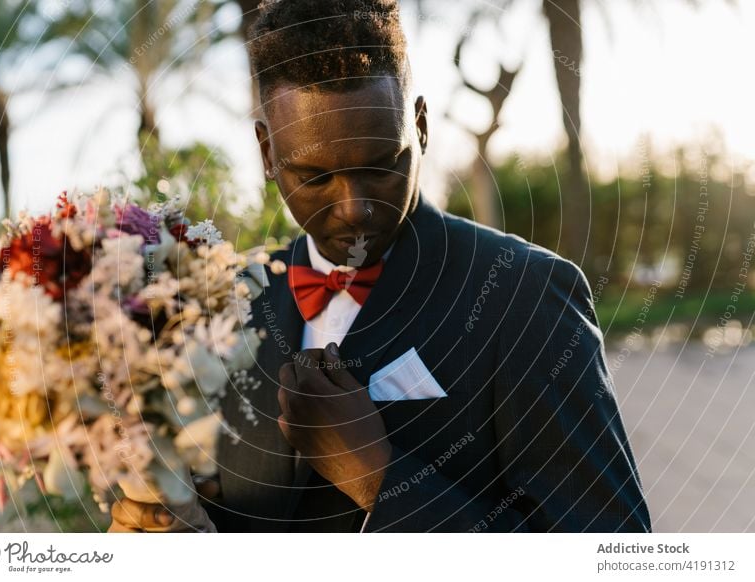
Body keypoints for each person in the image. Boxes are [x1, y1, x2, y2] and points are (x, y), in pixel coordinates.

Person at [109, 0, 651, 533]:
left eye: (381, 166)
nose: (354, 209)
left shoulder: (525, 295)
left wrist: (377, 477)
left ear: (418, 126)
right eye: (315, 178)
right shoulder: (227, 303)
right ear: (268, 152)